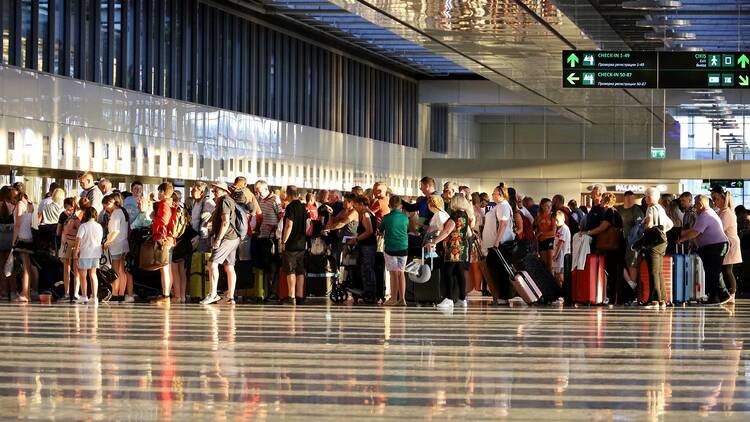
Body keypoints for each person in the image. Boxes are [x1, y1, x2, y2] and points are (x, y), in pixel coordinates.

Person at [678, 194, 731, 305]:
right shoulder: (707, 213)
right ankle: (718, 296)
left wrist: (681, 239)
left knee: (713, 272)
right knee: (713, 271)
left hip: (716, 246)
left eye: (696, 205)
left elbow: (695, 232)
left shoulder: (705, 215)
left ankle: (720, 296)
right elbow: (695, 230)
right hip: (714, 246)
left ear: (700, 204)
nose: (695, 207)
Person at [430, 194, 473, 310]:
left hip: (453, 248)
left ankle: (448, 298)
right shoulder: (465, 215)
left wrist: (434, 241)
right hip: (462, 247)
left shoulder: (455, 215)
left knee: (447, 272)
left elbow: (447, 230)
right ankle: (462, 298)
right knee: (459, 273)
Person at [201, 182, 241, 304]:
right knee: (229, 266)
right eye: (213, 190)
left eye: (216, 190)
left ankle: (213, 294)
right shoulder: (227, 201)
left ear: (223, 190)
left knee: (212, 263)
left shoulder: (224, 201)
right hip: (233, 237)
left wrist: (218, 239)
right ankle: (230, 297)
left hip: (227, 238)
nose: (214, 192)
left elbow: (225, 222)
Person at [583, 192, 625, 304]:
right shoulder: (615, 212)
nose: (600, 202)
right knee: (615, 272)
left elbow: (603, 227)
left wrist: (588, 232)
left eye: (602, 200)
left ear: (606, 202)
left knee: (612, 272)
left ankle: (613, 298)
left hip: (613, 246)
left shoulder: (609, 212)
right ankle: (616, 298)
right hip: (617, 246)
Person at [641, 187, 674, 309]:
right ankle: (662, 300)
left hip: (653, 243)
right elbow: (671, 224)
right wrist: (662, 231)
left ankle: (654, 300)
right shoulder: (661, 208)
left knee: (653, 271)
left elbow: (649, 224)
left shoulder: (650, 208)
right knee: (659, 271)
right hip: (662, 242)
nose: (645, 199)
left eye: (646, 196)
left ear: (649, 197)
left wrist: (644, 226)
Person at [102, 193, 134, 303]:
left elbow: (115, 231)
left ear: (115, 202)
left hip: (116, 244)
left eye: (109, 203)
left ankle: (115, 294)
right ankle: (121, 294)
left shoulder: (116, 213)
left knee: (115, 271)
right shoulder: (123, 212)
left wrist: (108, 241)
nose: (107, 206)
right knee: (122, 270)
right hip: (124, 244)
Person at [711, 186, 741, 302]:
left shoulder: (727, 213)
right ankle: (727, 294)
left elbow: (720, 229)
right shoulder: (721, 212)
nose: (714, 202)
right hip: (725, 243)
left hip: (730, 243)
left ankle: (732, 294)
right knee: (724, 269)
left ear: (723, 199)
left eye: (716, 199)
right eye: (713, 199)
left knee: (727, 270)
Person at [280, 186, 308, 305]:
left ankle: (291, 297)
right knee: (300, 270)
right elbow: (307, 224)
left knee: (290, 270)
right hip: (301, 243)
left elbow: (288, 225)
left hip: (291, 243)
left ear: (288, 194)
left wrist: (283, 241)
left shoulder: (290, 207)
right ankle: (300, 296)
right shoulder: (303, 207)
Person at [255, 180, 283, 299]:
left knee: (273, 264)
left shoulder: (275, 199)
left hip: (272, 237)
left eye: (260, 191)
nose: (258, 194)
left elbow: (280, 217)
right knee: (264, 265)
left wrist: (275, 227)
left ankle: (273, 291)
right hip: (262, 236)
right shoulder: (260, 199)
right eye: (256, 192)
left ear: (266, 189)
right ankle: (265, 290)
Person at [379, 195, 409, 306]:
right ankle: (402, 299)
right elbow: (407, 228)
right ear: (400, 205)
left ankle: (393, 299)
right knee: (401, 273)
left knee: (393, 274)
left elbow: (380, 230)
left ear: (389, 205)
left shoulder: (386, 218)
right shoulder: (405, 217)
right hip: (403, 248)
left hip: (390, 249)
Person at [151, 182, 176, 304]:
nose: (158, 194)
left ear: (162, 192)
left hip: (163, 239)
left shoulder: (164, 204)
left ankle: (165, 296)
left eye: (158, 191)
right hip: (169, 239)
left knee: (164, 269)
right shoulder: (171, 203)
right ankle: (166, 294)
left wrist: (153, 217)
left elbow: (164, 220)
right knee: (167, 268)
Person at [349, 196, 377, 302]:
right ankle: (369, 292)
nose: (354, 207)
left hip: (367, 246)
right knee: (367, 269)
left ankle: (369, 293)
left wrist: (356, 239)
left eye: (355, 204)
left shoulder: (366, 214)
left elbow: (369, 231)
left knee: (367, 269)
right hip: (369, 245)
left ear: (361, 204)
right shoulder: (370, 212)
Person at [12, 189, 38, 303]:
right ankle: (27, 292)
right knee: (28, 266)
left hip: (22, 237)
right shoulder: (31, 206)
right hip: (29, 236)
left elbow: (17, 224)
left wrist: (13, 240)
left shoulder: (19, 205)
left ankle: (24, 292)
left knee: (25, 268)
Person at [75, 206, 104, 305]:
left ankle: (84, 296)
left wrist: (76, 251)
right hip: (96, 253)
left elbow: (78, 239)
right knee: (93, 274)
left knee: (83, 276)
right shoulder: (99, 226)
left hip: (85, 253)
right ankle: (94, 297)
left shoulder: (83, 226)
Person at [616, 191, 644, 287]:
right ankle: (630, 283)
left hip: (633, 242)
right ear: (624, 198)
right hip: (619, 241)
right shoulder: (618, 209)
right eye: (628, 198)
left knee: (631, 263)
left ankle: (632, 285)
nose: (630, 200)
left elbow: (640, 227)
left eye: (632, 198)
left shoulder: (636, 210)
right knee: (619, 262)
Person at [57, 197, 81, 302]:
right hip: (77, 244)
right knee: (77, 269)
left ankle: (66, 293)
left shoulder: (63, 215)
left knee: (66, 268)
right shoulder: (80, 215)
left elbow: (58, 231)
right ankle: (76, 293)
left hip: (65, 243)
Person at [481, 185, 513, 256]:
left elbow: (503, 224)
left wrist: (497, 242)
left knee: (496, 266)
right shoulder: (500, 205)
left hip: (497, 245)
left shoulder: (503, 206)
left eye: (493, 193)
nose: (492, 195)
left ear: (500, 194)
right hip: (493, 244)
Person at [189, 182, 215, 253]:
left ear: (202, 192)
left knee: (202, 260)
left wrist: (208, 226)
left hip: (203, 238)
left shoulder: (208, 202)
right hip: (195, 236)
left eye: (194, 190)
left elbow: (215, 215)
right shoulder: (195, 202)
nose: (191, 191)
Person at [535, 198, 556, 273]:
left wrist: (541, 233)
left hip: (549, 240)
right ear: (542, 206)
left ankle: (551, 283)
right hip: (541, 240)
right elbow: (536, 229)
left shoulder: (552, 216)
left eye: (550, 205)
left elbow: (553, 232)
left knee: (550, 265)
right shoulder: (538, 216)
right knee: (544, 265)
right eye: (547, 206)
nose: (549, 207)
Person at [552, 210, 571, 288]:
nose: (556, 222)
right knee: (556, 275)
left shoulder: (564, 229)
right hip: (558, 255)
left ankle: (565, 291)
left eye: (557, 220)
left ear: (563, 219)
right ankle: (560, 292)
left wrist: (555, 255)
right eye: (555, 220)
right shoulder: (559, 229)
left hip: (562, 255)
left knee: (560, 276)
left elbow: (561, 242)